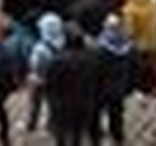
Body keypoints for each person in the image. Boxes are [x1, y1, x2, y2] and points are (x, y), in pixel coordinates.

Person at [46, 26, 101, 146]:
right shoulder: (91, 59)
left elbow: (50, 84)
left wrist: (52, 101)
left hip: (62, 103)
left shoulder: (57, 60)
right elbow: (97, 81)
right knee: (78, 132)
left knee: (62, 132)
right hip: (84, 101)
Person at [95, 14, 135, 145]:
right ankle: (117, 135)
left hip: (102, 86)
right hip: (119, 85)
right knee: (117, 112)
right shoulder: (128, 47)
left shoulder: (101, 49)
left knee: (98, 110)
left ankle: (97, 133)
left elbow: (97, 69)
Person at [27, 12, 66, 132]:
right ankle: (53, 123)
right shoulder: (64, 43)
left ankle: (32, 122)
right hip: (57, 79)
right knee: (53, 102)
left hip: (40, 79)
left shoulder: (40, 47)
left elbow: (34, 64)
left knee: (35, 102)